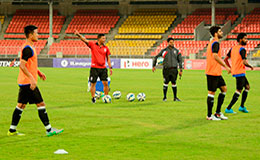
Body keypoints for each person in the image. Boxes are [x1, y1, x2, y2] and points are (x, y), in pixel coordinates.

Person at [8, 25, 64, 136]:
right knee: (40, 103)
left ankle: (12, 130)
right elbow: (22, 66)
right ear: (30, 35)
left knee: (21, 105)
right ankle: (49, 130)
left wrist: (38, 73)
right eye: (36, 33)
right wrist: (32, 79)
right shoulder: (28, 48)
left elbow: (29, 64)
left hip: (24, 82)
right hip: (28, 83)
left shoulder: (30, 47)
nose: (38, 35)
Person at [74, 30, 112, 103]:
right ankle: (93, 98)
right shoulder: (93, 45)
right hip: (94, 68)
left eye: (105, 38)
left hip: (103, 68)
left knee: (106, 83)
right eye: (103, 38)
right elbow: (84, 40)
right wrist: (78, 35)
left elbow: (108, 58)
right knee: (93, 83)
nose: (104, 40)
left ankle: (106, 96)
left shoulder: (106, 48)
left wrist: (110, 67)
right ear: (99, 39)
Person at [205, 26, 231, 120]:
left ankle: (218, 113)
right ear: (216, 33)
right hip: (212, 71)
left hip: (217, 72)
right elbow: (215, 56)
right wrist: (226, 67)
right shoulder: (215, 43)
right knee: (211, 93)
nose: (222, 32)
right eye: (220, 31)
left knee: (224, 89)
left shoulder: (213, 43)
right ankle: (209, 115)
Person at [224, 33, 254, 114]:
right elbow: (244, 61)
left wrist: (230, 68)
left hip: (236, 71)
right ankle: (228, 108)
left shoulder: (233, 48)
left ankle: (242, 106)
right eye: (245, 38)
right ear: (240, 39)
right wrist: (250, 66)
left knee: (247, 87)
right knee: (239, 90)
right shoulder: (242, 49)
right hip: (240, 72)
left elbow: (225, 59)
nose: (246, 40)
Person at [152, 37, 183, 102]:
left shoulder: (177, 51)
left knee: (174, 83)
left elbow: (180, 61)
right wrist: (154, 66)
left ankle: (175, 97)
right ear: (168, 43)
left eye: (173, 42)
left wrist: (180, 70)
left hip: (174, 70)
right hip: (166, 70)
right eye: (170, 42)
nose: (172, 43)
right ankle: (164, 97)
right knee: (166, 83)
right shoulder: (164, 51)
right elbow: (156, 57)